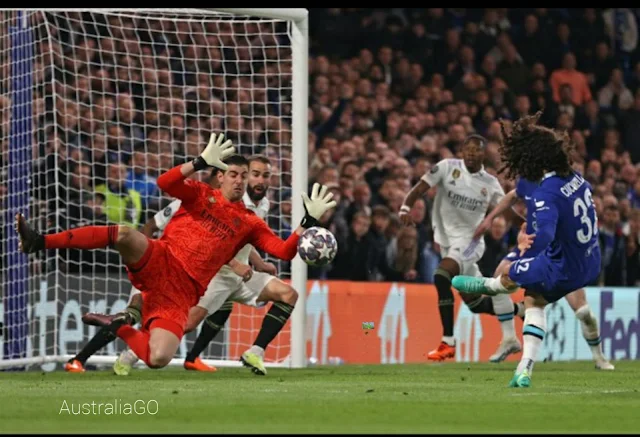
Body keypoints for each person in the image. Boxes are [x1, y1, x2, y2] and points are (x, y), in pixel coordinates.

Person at [16, 133, 336, 370]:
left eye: (243, 176)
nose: (239, 182)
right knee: (125, 233)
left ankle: (121, 325)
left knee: (158, 357)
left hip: (182, 293)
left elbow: (282, 252)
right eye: (233, 175)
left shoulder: (250, 222)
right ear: (220, 176)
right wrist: (196, 163)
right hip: (161, 259)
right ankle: (40, 241)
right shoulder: (199, 194)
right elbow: (164, 182)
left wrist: (306, 222)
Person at [452, 112, 603, 388]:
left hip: (561, 263)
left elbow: (544, 233)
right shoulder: (576, 177)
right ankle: (522, 369)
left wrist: (527, 244)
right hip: (590, 258)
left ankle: (489, 286)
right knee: (534, 299)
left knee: (510, 275)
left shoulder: (547, 192)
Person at [112, 155, 291, 376]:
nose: (260, 180)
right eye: (254, 174)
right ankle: (131, 354)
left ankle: (255, 351)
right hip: (215, 273)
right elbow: (210, 236)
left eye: (266, 175)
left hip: (242, 274)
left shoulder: (263, 203)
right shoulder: (227, 197)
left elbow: (244, 238)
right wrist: (234, 263)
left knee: (287, 294)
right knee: (186, 323)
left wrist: (259, 263)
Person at [399, 134, 519, 361]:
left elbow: (508, 212)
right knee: (478, 304)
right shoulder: (446, 168)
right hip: (447, 244)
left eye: (477, 150)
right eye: (468, 150)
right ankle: (522, 311)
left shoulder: (490, 183)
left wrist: (529, 227)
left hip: (469, 243)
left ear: (484, 154)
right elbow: (419, 189)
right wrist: (405, 208)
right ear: (462, 152)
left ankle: (448, 342)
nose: (472, 154)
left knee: (441, 275)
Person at [473, 179, 614, 370]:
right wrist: (491, 218)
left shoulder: (558, 186)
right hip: (530, 245)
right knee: (501, 273)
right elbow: (512, 196)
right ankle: (509, 337)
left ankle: (599, 357)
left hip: (558, 253)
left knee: (582, 311)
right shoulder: (529, 180)